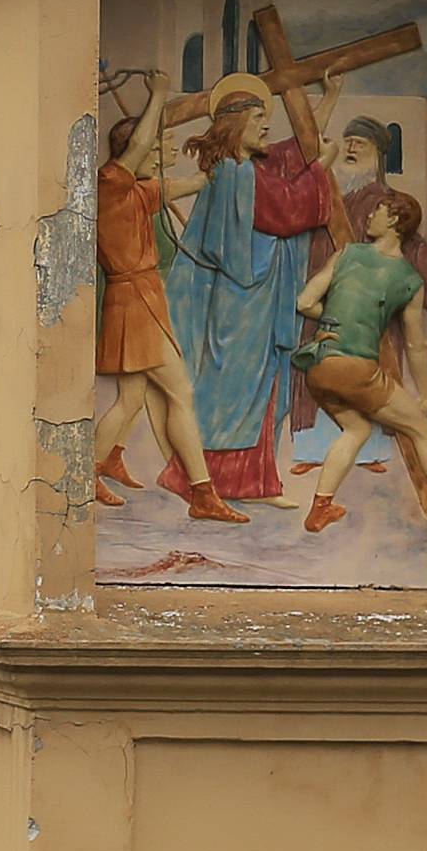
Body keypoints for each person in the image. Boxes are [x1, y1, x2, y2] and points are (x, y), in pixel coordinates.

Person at [159, 70, 341, 506]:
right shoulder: (233, 173)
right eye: (259, 117)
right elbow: (287, 206)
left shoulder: (252, 165)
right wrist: (324, 166)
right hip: (241, 305)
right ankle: (210, 483)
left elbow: (296, 154)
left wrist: (329, 99)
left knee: (267, 390)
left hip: (263, 300)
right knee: (235, 394)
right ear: (236, 122)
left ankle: (258, 483)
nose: (266, 126)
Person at [289, 118, 427, 469]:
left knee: (372, 373)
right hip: (329, 295)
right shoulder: (334, 193)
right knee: (319, 366)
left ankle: (368, 453)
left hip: (369, 310)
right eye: (348, 141)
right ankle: (312, 449)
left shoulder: (386, 203)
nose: (350, 149)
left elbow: (419, 253)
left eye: (360, 144)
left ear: (379, 154)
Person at [293, 190, 427, 538]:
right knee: (419, 428)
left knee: (355, 430)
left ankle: (320, 508)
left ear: (397, 223)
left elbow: (305, 301)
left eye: (380, 212)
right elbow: (418, 344)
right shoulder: (408, 279)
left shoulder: (346, 255)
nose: (370, 216)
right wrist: (425, 394)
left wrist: (338, 322)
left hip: (320, 367)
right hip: (356, 370)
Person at [93, 69, 244, 524]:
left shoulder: (134, 192)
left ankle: (105, 460)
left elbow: (184, 185)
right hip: (136, 300)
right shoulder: (111, 182)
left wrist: (215, 165)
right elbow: (139, 148)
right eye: (153, 149)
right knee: (180, 395)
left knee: (131, 397)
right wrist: (159, 94)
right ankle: (202, 493)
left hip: (139, 299)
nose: (158, 157)